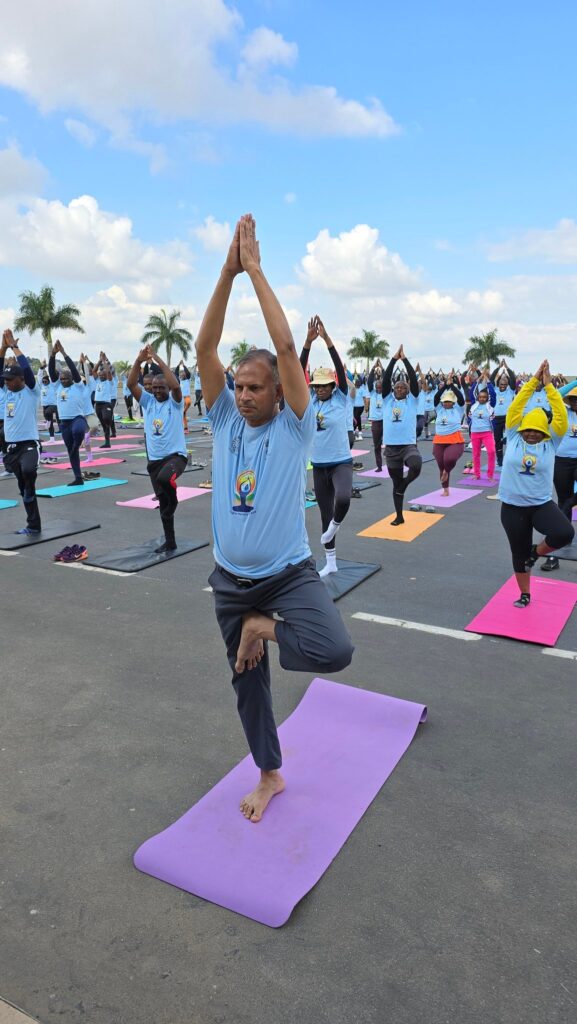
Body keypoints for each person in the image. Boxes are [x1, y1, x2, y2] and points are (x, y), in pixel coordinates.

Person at [195, 214, 353, 823]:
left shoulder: (295, 427)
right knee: (247, 685)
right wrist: (226, 271)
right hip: (231, 582)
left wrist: (255, 271)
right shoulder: (224, 419)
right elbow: (205, 349)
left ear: (279, 393)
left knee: (334, 648)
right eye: (238, 386)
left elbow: (286, 349)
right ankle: (269, 774)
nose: (243, 395)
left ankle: (261, 627)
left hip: (287, 576)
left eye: (254, 388)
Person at [498, 360, 574, 606]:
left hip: (540, 504)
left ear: (544, 432)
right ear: (521, 429)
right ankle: (525, 593)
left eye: (536, 430)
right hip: (512, 507)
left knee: (564, 533)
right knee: (517, 553)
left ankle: (535, 552)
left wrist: (549, 386)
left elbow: (560, 414)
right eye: (528, 429)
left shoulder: (551, 442)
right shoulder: (513, 435)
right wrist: (532, 382)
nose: (531, 433)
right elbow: (516, 406)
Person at [300, 315, 353, 577]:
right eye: (316, 386)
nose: (320, 389)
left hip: (340, 461)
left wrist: (327, 340)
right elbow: (297, 374)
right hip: (319, 465)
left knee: (343, 499)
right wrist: (307, 343)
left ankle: (336, 524)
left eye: (324, 386)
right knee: (324, 512)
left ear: (332, 386)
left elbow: (340, 370)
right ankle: (331, 562)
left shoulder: (341, 398)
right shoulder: (309, 400)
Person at [127, 345, 187, 552]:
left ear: (167, 388)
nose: (158, 391)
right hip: (154, 460)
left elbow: (176, 386)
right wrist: (139, 360)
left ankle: (174, 499)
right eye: (155, 388)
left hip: (175, 457)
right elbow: (131, 384)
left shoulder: (175, 403)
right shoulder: (148, 402)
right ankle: (170, 541)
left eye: (162, 388)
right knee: (163, 505)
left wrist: (157, 359)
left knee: (165, 480)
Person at [0, 329, 42, 533]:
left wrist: (14, 347)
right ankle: (33, 525)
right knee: (22, 487)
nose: (7, 383)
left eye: (10, 379)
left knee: (28, 471)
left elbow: (26, 367)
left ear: (20, 379)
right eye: (5, 380)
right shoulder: (6, 392)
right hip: (12, 447)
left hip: (29, 444)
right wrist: (3, 348)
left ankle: (30, 490)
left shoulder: (31, 391)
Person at [379, 345, 422, 525]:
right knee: (396, 484)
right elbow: (386, 379)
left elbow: (413, 379)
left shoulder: (412, 401)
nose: (400, 389)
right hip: (391, 448)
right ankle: (399, 516)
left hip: (407, 446)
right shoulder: (387, 400)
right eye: (397, 387)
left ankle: (405, 484)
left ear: (408, 390)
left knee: (416, 465)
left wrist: (404, 360)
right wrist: (393, 360)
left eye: (403, 387)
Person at [541, 380, 577, 571]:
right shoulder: (562, 412)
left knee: (568, 502)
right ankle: (557, 549)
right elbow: (552, 397)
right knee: (563, 500)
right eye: (573, 399)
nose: (576, 402)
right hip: (562, 460)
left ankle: (571, 503)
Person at [49, 340, 89, 486]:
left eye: (66, 378)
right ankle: (78, 478)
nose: (64, 380)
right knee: (71, 452)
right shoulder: (58, 387)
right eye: (62, 379)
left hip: (77, 419)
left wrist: (64, 353)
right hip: (64, 423)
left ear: (72, 378)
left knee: (78, 431)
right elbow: (51, 371)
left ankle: (77, 445)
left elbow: (73, 369)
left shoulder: (78, 386)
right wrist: (53, 355)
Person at [433, 376, 466, 496]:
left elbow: (461, 398)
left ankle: (447, 471)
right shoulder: (439, 409)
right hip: (439, 439)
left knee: (449, 459)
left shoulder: (458, 409)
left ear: (453, 402)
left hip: (454, 439)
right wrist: (445, 387)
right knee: (440, 464)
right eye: (445, 401)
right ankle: (445, 489)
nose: (446, 403)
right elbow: (436, 397)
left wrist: (451, 385)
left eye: (449, 401)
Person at [469, 376, 496, 481]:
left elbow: (493, 394)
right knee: (476, 454)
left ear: (487, 398)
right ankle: (477, 474)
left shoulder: (490, 406)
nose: (482, 399)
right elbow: (471, 392)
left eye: (484, 397)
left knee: (491, 452)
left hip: (487, 433)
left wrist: (488, 382)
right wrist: (477, 381)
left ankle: (490, 475)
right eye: (480, 397)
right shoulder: (473, 405)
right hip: (475, 433)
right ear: (478, 397)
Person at [490, 360, 516, 466]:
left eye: (505, 384)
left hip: (507, 418)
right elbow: (491, 379)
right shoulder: (495, 390)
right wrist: (498, 368)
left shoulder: (510, 390)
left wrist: (507, 368)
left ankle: (510, 459)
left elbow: (513, 379)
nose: (503, 386)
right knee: (498, 440)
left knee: (509, 439)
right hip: (497, 418)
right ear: (498, 384)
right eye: (501, 384)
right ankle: (500, 460)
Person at [92, 353, 116, 448]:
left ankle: (111, 432)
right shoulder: (97, 381)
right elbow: (94, 371)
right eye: (100, 375)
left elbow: (109, 372)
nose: (101, 376)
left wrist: (104, 361)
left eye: (103, 375)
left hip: (106, 404)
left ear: (106, 376)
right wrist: (99, 360)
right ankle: (107, 442)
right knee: (103, 424)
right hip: (98, 405)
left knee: (106, 419)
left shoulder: (110, 382)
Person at [366, 361, 384, 471]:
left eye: (381, 387)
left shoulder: (386, 394)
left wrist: (382, 369)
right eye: (377, 387)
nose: (379, 389)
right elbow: (369, 381)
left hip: (386, 421)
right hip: (375, 422)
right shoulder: (372, 393)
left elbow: (387, 380)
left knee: (391, 444)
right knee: (377, 445)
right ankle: (379, 466)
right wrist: (373, 369)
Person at [176, 362, 192, 429]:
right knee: (183, 414)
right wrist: (178, 365)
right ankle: (185, 427)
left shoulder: (188, 380)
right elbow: (176, 373)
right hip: (182, 398)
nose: (182, 374)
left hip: (187, 398)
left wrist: (184, 365)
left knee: (186, 406)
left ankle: (183, 411)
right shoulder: (179, 380)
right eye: (181, 374)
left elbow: (188, 373)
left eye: (183, 373)